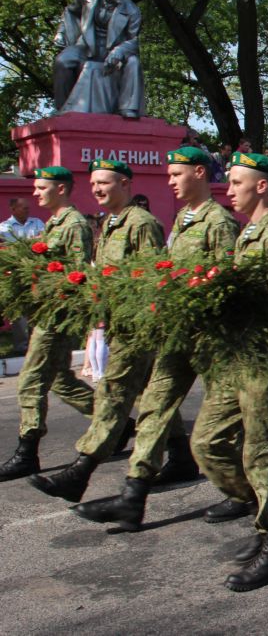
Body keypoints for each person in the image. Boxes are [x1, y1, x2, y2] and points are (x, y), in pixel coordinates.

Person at [72, 146, 239, 531]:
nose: (170, 181)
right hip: (177, 333)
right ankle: (133, 496)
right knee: (154, 405)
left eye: (177, 174)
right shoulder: (183, 217)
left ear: (200, 173)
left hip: (210, 337)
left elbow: (228, 282)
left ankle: (242, 489)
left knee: (227, 417)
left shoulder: (219, 221)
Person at [186, 151, 268, 591]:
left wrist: (235, 299)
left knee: (260, 451)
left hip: (264, 358)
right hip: (236, 355)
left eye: (236, 182)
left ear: (261, 186)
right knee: (206, 442)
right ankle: (264, 513)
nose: (229, 189)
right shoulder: (248, 232)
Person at [28, 159, 165, 504]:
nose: (97, 189)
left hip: (135, 327)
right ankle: (180, 454)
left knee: (112, 393)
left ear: (125, 184)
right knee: (149, 396)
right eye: (93, 184)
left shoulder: (141, 223)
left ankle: (80, 472)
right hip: (116, 322)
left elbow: (151, 276)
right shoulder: (110, 223)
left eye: (104, 182)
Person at [0, 168, 95, 483]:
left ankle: (27, 454)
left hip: (57, 315)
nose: (36, 193)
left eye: (42, 188)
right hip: (46, 312)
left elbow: (77, 274)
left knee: (30, 380)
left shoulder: (74, 224)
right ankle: (115, 424)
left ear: (61, 189)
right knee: (59, 380)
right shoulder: (53, 224)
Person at [52, 0, 144, 117]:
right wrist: (61, 32)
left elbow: (133, 40)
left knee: (133, 61)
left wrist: (119, 51)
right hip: (86, 46)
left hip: (112, 51)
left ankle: (127, 108)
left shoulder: (132, 11)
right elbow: (70, 11)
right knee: (62, 61)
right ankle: (62, 108)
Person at [0, 197, 45, 354]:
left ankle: (37, 343)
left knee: (36, 307)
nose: (27, 210)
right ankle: (21, 345)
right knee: (18, 310)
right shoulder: (4, 228)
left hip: (35, 272)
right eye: (24, 208)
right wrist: (30, 243)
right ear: (13, 209)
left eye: (28, 207)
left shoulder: (37, 223)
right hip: (15, 273)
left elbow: (43, 240)